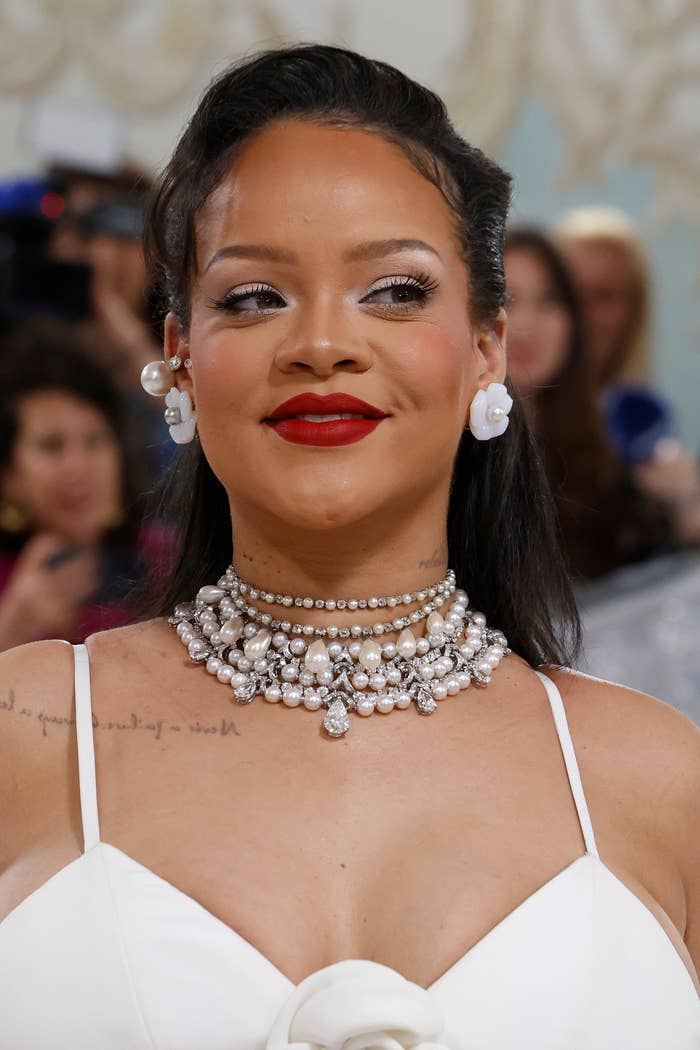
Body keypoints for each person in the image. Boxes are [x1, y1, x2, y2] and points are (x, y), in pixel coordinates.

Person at [0, 45, 697, 1048]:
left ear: (487, 348)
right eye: (253, 296)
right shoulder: (30, 735)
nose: (322, 343)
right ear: (180, 358)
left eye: (395, 290)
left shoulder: (656, 779)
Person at [503, 226, 697, 577]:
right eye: (506, 300)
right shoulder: (445, 458)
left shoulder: (611, 458)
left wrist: (686, 508)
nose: (527, 323)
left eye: (549, 300)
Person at [0, 318, 170, 650]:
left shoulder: (165, 557)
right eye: (51, 446)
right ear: (9, 474)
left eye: (95, 441)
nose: (79, 467)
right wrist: (13, 628)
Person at [555, 205, 700, 544]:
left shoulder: (644, 433)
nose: (584, 315)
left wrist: (686, 506)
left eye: (604, 297)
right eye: (570, 295)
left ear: (633, 313)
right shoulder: (502, 422)